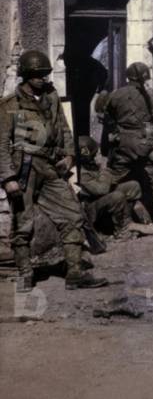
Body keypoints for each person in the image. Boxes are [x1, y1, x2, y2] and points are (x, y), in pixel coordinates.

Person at [1, 50, 108, 291]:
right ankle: (25, 273)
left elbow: (64, 128)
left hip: (50, 167)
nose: (42, 79)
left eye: (44, 74)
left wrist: (69, 156)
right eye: (36, 75)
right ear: (25, 76)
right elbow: (0, 146)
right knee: (23, 224)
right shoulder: (10, 104)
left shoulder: (51, 96)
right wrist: (8, 178)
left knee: (72, 215)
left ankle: (75, 273)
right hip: (23, 170)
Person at [97, 62, 153, 226]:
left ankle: (101, 205)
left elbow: (105, 117)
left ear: (127, 77)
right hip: (144, 142)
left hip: (122, 143)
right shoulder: (150, 94)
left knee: (116, 175)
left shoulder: (115, 95)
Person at [76, 136, 153, 238]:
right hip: (90, 209)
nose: (99, 155)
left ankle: (140, 221)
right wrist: (104, 168)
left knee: (133, 186)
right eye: (96, 153)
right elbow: (102, 190)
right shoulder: (80, 172)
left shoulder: (89, 165)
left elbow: (109, 181)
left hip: (99, 200)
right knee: (117, 196)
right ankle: (122, 229)